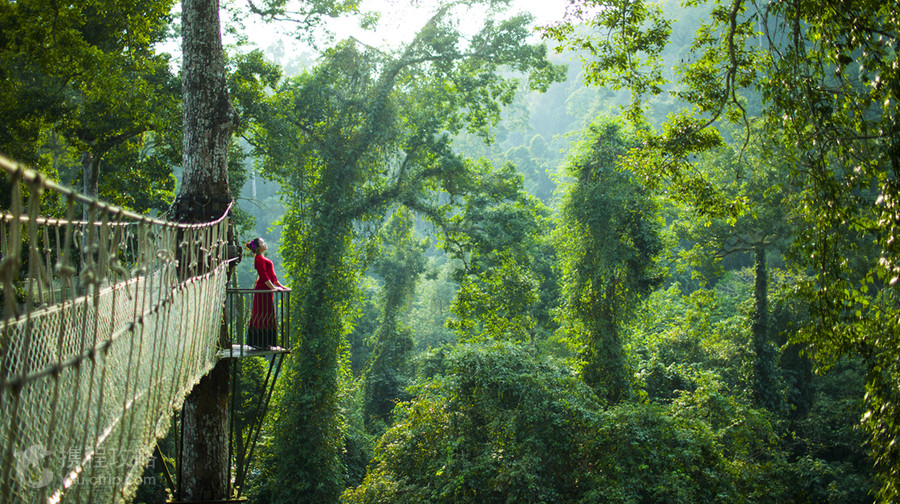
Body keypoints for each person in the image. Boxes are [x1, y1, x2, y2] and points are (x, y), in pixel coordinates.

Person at [246, 237, 288, 349]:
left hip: (267, 290)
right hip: (262, 291)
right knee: (261, 314)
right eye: (262, 243)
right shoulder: (259, 259)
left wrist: (281, 287)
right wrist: (274, 288)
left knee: (268, 314)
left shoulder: (263, 258)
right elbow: (264, 277)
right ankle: (259, 342)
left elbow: (273, 277)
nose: (265, 244)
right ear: (258, 247)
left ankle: (266, 343)